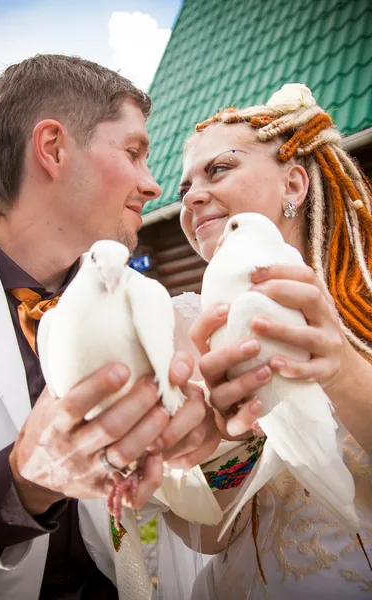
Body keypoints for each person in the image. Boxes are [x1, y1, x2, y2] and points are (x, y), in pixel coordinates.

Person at [0, 54, 221, 600]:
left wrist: (209, 448)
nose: (153, 185)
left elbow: (202, 524)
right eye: (133, 152)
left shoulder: (149, 303)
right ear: (54, 148)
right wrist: (13, 486)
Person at [156, 84, 372, 599]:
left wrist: (340, 367)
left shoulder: (365, 294)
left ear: (293, 184)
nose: (191, 196)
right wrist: (223, 445)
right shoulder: (184, 325)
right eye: (184, 186)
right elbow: (211, 536)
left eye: (219, 169)